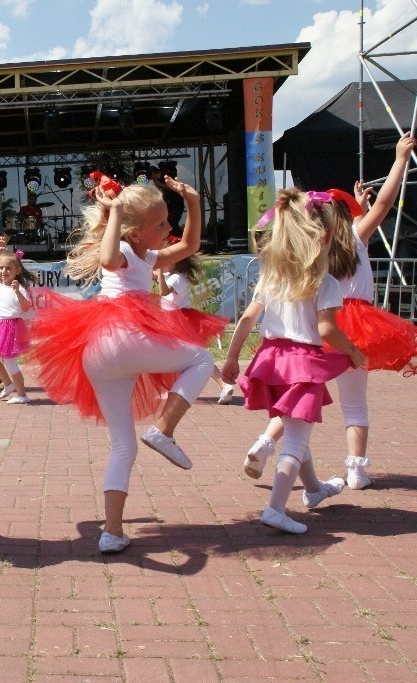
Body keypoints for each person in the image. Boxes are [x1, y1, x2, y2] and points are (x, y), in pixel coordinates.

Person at [29, 174, 219, 554]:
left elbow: (190, 244)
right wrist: (115, 212)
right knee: (201, 358)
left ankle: (112, 532)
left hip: (99, 352)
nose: (169, 229)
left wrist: (194, 203)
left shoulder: (147, 256)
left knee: (123, 446)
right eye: (161, 224)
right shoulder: (125, 254)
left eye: (169, 221)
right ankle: (163, 429)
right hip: (124, 336)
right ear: (133, 231)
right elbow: (107, 256)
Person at [239, 132, 417, 487]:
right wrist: (399, 159)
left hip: (317, 324)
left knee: (303, 394)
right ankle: (356, 471)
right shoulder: (355, 236)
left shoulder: (310, 243)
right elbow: (384, 204)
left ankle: (263, 443)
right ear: (346, 217)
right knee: (355, 402)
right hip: (357, 325)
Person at [221, 188, 366, 534]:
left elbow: (245, 320)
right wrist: (353, 351)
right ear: (327, 236)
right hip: (303, 364)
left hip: (271, 359)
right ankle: (275, 508)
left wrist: (231, 358)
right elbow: (327, 329)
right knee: (296, 440)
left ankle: (314, 490)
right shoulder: (325, 282)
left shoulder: (270, 277)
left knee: (294, 426)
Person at [155, 254, 236, 404]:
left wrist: (159, 271)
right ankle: (173, 388)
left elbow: (163, 292)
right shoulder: (175, 275)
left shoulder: (176, 278)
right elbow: (153, 274)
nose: (162, 264)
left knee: (193, 355)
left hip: (177, 320)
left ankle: (223, 384)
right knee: (179, 354)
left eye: (166, 261)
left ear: (175, 263)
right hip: (176, 319)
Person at [0, 238, 37, 404]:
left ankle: (22, 395)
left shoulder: (19, 289)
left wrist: (17, 291)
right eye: (2, 268)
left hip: (11, 327)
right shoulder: (0, 284)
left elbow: (25, 307)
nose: (3, 271)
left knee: (10, 363)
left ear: (17, 271)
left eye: (8, 268)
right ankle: (9, 384)